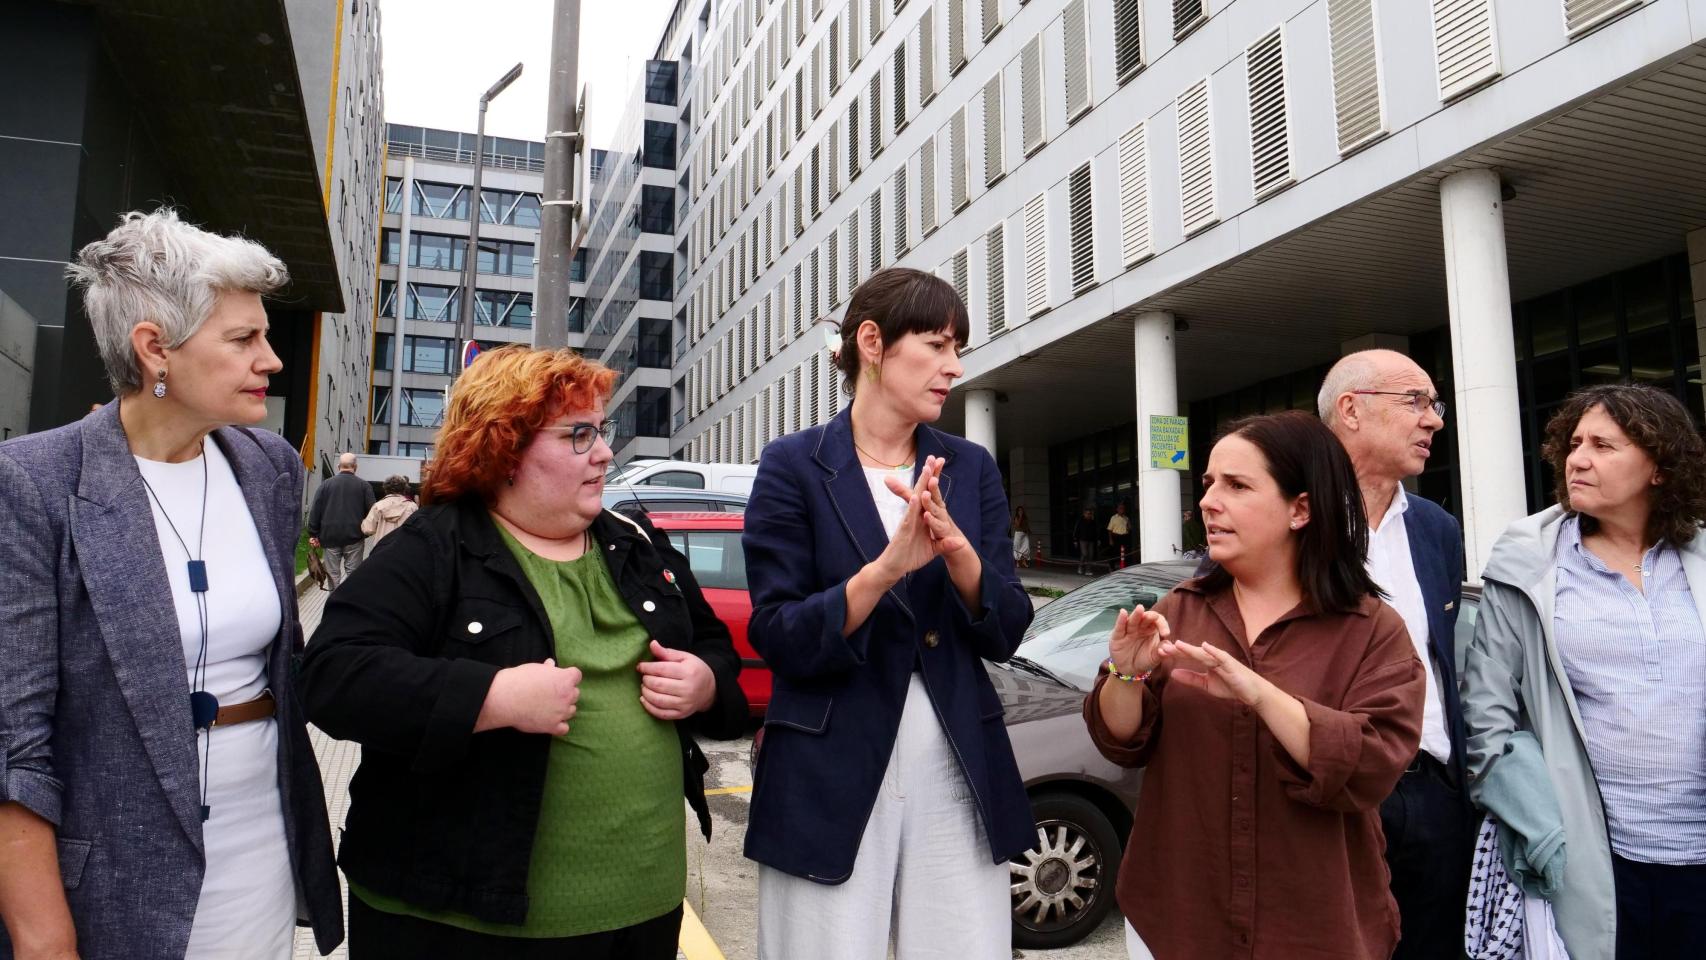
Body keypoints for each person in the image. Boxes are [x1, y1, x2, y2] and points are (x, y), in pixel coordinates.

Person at [299, 346, 747, 960]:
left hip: (642, 913)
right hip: (462, 924)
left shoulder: (636, 544)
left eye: (601, 429)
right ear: (504, 451)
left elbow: (718, 651)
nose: (605, 452)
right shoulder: (432, 549)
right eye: (579, 434)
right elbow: (332, 674)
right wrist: (489, 698)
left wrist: (706, 683)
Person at [0, 208, 342, 960]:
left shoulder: (269, 469)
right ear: (155, 349)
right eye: (244, 339)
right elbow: (13, 741)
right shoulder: (35, 483)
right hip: (111, 880)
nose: (272, 360)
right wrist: (42, 936)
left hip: (259, 856)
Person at [742, 267, 1036, 959]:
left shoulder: (970, 468)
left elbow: (1009, 628)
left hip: (955, 754)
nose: (953, 367)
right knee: (824, 944)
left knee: (961, 943)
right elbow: (778, 632)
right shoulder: (793, 465)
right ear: (872, 342)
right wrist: (883, 572)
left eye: (957, 348)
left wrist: (959, 553)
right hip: (827, 759)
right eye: (936, 344)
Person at [1084, 411, 1425, 960]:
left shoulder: (1372, 631)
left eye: (1237, 485)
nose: (1209, 502)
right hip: (1178, 916)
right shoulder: (1181, 608)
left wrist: (1259, 693)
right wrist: (1125, 672)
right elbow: (1122, 740)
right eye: (1210, 484)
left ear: (1301, 508)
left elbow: (1371, 764)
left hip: (1312, 926)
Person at [1464, 383, 1706, 959]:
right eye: (1574, 443)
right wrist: (1539, 829)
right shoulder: (1529, 565)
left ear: (1660, 468)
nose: (1578, 458)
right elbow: (1487, 713)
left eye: (1604, 445)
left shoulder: (1698, 560)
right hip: (1589, 857)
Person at [1318, 349, 1471, 959]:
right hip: (1333, 801)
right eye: (1416, 402)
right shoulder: (1286, 518)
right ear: (1351, 411)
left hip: (1434, 794)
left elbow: (1446, 657)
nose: (1433, 420)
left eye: (1435, 405)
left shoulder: (1436, 528)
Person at [308, 451, 374, 589]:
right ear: (355, 467)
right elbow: (372, 512)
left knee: (333, 576)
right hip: (354, 537)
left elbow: (316, 510)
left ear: (339, 466)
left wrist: (313, 534)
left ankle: (334, 606)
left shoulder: (326, 485)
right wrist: (366, 532)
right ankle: (350, 605)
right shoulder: (364, 486)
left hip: (329, 537)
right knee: (353, 575)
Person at [360, 474, 418, 545]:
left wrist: (363, 522)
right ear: (404, 489)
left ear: (385, 489)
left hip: (382, 548)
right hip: (404, 547)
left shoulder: (378, 506)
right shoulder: (412, 506)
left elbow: (368, 529)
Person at [1074, 507, 1099, 575]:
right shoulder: (1080, 521)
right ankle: (1080, 567)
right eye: (1087, 514)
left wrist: (1098, 540)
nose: (1089, 515)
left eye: (1090, 514)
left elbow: (1096, 531)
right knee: (1085, 553)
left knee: (1090, 555)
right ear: (1084, 514)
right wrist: (1075, 540)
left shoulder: (1093, 522)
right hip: (1082, 540)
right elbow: (1076, 531)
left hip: (1091, 540)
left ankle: (1088, 570)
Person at [1107, 501, 1132, 565]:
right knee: (1115, 553)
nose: (1122, 510)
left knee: (1125, 553)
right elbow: (1109, 529)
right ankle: (1112, 566)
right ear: (1117, 509)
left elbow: (1129, 528)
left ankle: (1124, 566)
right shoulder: (1113, 517)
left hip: (1124, 537)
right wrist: (1110, 540)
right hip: (1116, 537)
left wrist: (1129, 526)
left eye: (1123, 508)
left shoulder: (1126, 518)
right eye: (1120, 508)